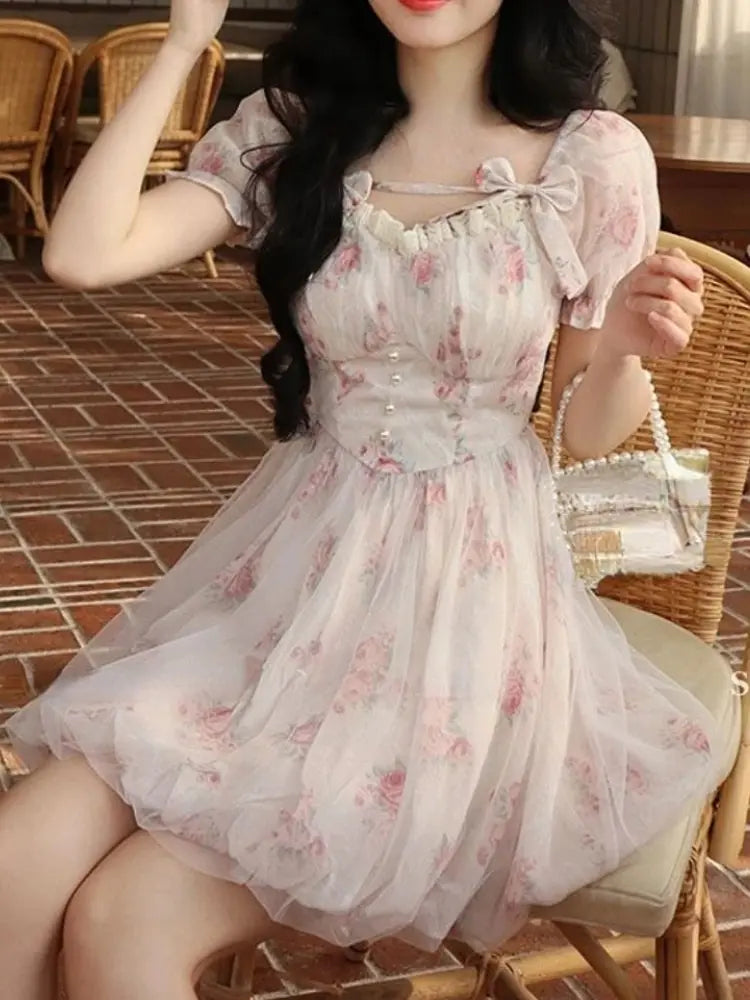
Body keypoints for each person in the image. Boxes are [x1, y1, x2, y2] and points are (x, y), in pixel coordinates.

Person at [0, 1, 728, 998]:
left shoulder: (589, 159)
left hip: (460, 612)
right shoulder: (299, 129)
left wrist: (629, 352)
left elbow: (589, 429)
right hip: (290, 584)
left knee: (123, 921)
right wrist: (182, 44)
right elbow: (82, 254)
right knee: (14, 865)